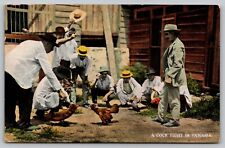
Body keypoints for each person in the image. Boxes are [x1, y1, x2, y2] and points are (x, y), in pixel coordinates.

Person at [5, 33, 69, 129]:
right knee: (26, 99)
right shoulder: (40, 50)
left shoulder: (28, 43)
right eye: (52, 47)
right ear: (47, 43)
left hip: (5, 70)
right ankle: (24, 123)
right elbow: (49, 72)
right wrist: (59, 90)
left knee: (10, 99)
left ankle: (9, 124)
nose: (52, 50)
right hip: (18, 74)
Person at [153, 24, 187, 127]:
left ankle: (175, 120)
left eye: (167, 34)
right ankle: (161, 116)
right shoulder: (172, 45)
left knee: (174, 100)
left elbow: (178, 64)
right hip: (169, 77)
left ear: (173, 33)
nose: (166, 37)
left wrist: (169, 75)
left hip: (174, 78)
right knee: (163, 97)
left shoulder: (178, 46)